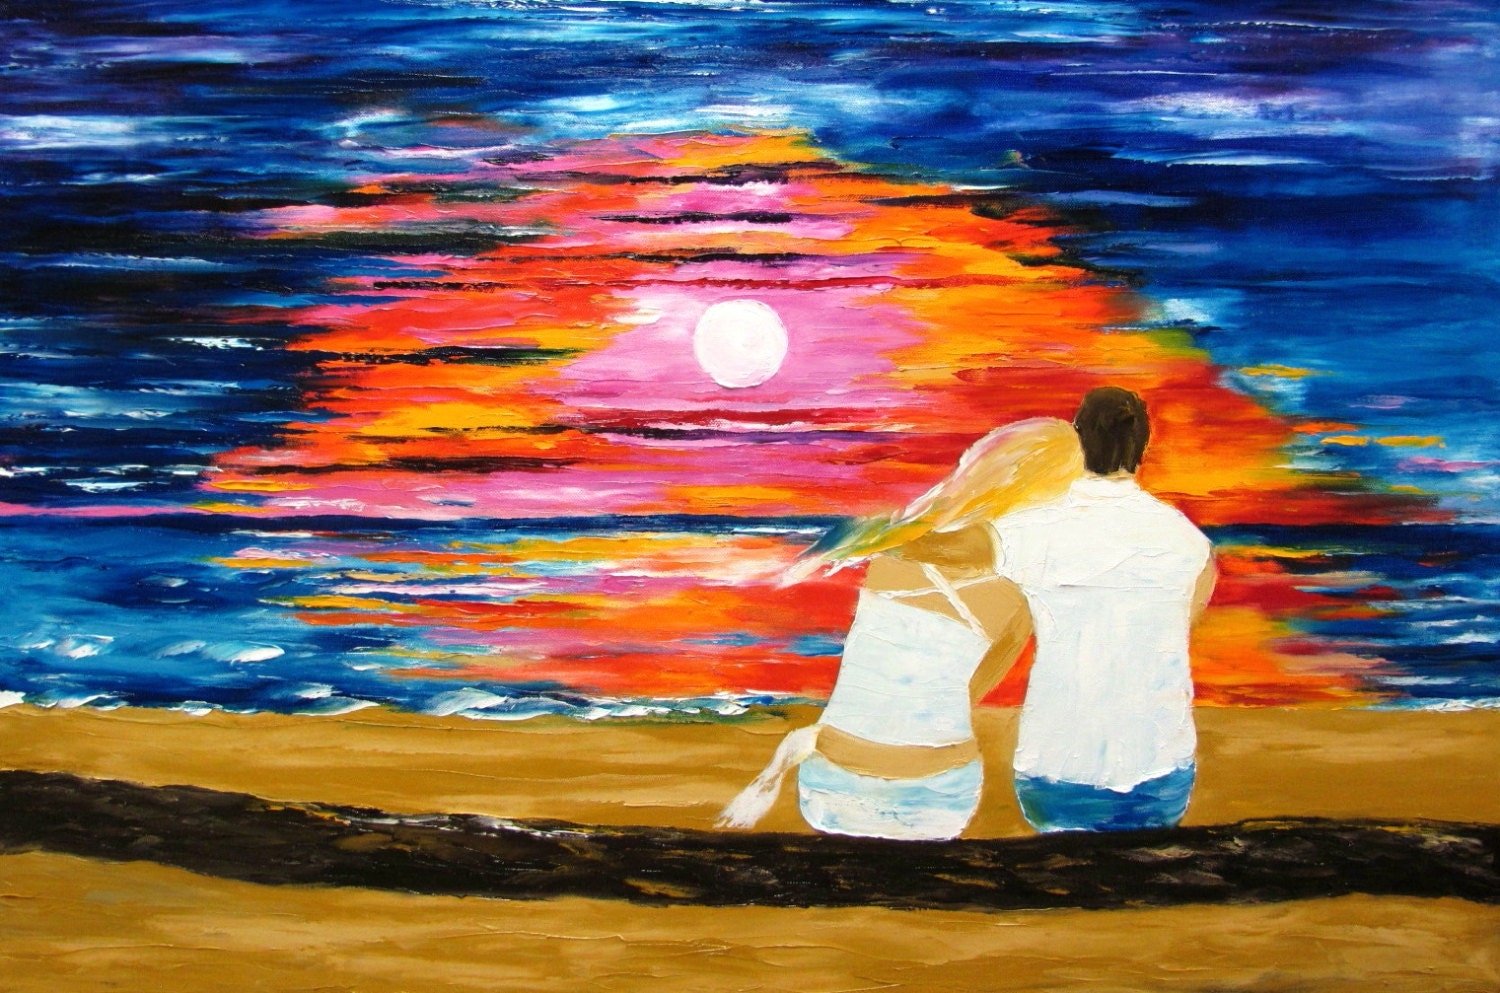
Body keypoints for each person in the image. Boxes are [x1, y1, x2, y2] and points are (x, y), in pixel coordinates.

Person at [717, 418, 1084, 840]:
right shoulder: (1017, 603)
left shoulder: (886, 562)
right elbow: (965, 697)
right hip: (940, 803)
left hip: (831, 793)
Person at [899, 387, 1216, 832]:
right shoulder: (1190, 543)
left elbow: (931, 548)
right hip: (1163, 785)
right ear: (1142, 446)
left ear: (1077, 439)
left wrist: (873, 533)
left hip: (1053, 783)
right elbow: (1182, 624)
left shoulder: (1036, 528)